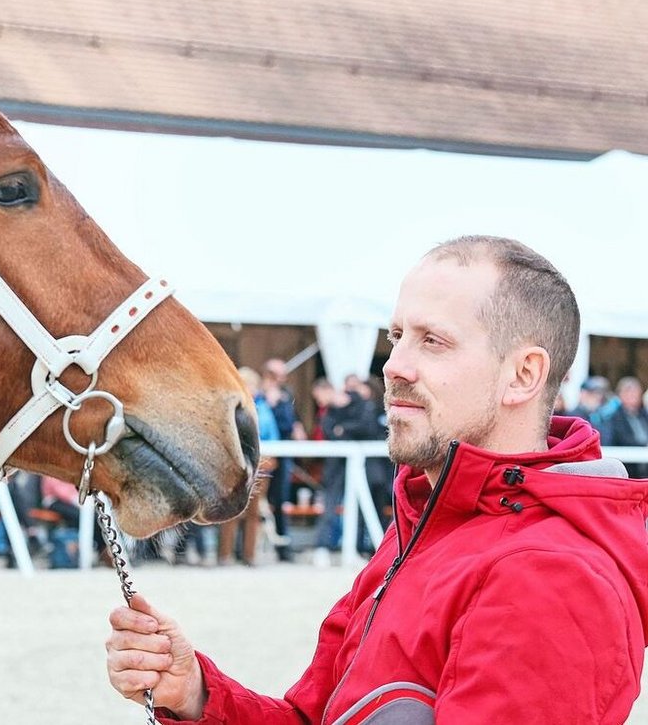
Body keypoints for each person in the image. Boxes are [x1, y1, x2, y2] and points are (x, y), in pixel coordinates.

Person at [106, 236, 648, 723]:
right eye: (396, 336)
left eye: (433, 341)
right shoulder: (424, 522)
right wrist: (200, 693)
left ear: (522, 374)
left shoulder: (550, 576)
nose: (393, 365)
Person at [308, 378, 382, 564]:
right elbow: (329, 432)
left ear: (327, 390)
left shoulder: (361, 404)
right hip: (335, 465)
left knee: (357, 507)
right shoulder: (329, 412)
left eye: (319, 397)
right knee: (330, 504)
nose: (319, 403)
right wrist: (345, 431)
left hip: (360, 465)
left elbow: (369, 428)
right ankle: (323, 547)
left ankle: (355, 549)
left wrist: (343, 429)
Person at [215, 367, 279, 566]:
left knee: (253, 512)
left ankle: (249, 555)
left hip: (259, 463)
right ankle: (225, 555)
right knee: (230, 511)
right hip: (233, 464)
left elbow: (272, 435)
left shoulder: (263, 409)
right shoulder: (228, 407)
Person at [260, 358, 306, 562]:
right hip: (264, 455)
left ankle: (283, 548)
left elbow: (291, 422)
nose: (284, 377)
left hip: (283, 455)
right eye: (279, 374)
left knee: (281, 500)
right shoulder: (259, 396)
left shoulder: (286, 395)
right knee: (257, 502)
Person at [600, 376, 648, 479]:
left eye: (635, 393)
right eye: (629, 392)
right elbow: (617, 439)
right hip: (626, 468)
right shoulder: (612, 416)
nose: (633, 396)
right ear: (620, 395)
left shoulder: (644, 414)